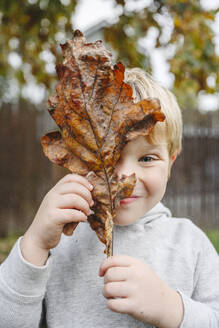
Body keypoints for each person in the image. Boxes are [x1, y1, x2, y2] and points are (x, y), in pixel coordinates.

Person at [0, 68, 219, 328]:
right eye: (109, 159)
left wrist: (171, 308)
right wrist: (35, 244)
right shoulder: (58, 243)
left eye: (147, 159)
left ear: (170, 163)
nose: (125, 176)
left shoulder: (190, 245)